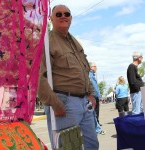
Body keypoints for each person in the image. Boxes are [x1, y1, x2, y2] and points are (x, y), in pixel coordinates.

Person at [38, 4, 99, 150]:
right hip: (64, 102)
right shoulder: (47, 41)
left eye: (67, 14)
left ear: (71, 18)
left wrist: (90, 94)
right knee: (66, 146)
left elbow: (84, 70)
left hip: (84, 102)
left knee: (92, 144)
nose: (63, 16)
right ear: (51, 18)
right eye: (58, 14)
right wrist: (54, 102)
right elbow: (39, 76)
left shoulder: (75, 42)